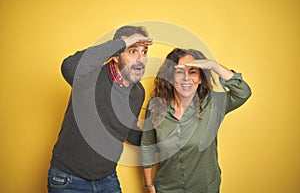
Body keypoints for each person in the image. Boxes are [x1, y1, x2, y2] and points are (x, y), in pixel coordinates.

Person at [48, 25, 153, 192]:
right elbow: (68, 67)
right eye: (133, 51)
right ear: (116, 56)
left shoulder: (138, 92)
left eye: (144, 51)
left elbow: (130, 132)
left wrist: (161, 135)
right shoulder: (89, 76)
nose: (141, 58)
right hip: (68, 180)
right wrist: (122, 43)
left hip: (107, 179)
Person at [140, 48, 251, 193]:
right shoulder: (156, 106)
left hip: (205, 188)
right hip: (166, 189)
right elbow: (147, 145)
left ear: (200, 79)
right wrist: (149, 185)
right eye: (180, 72)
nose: (186, 78)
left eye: (193, 72)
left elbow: (243, 92)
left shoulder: (213, 104)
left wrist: (213, 65)